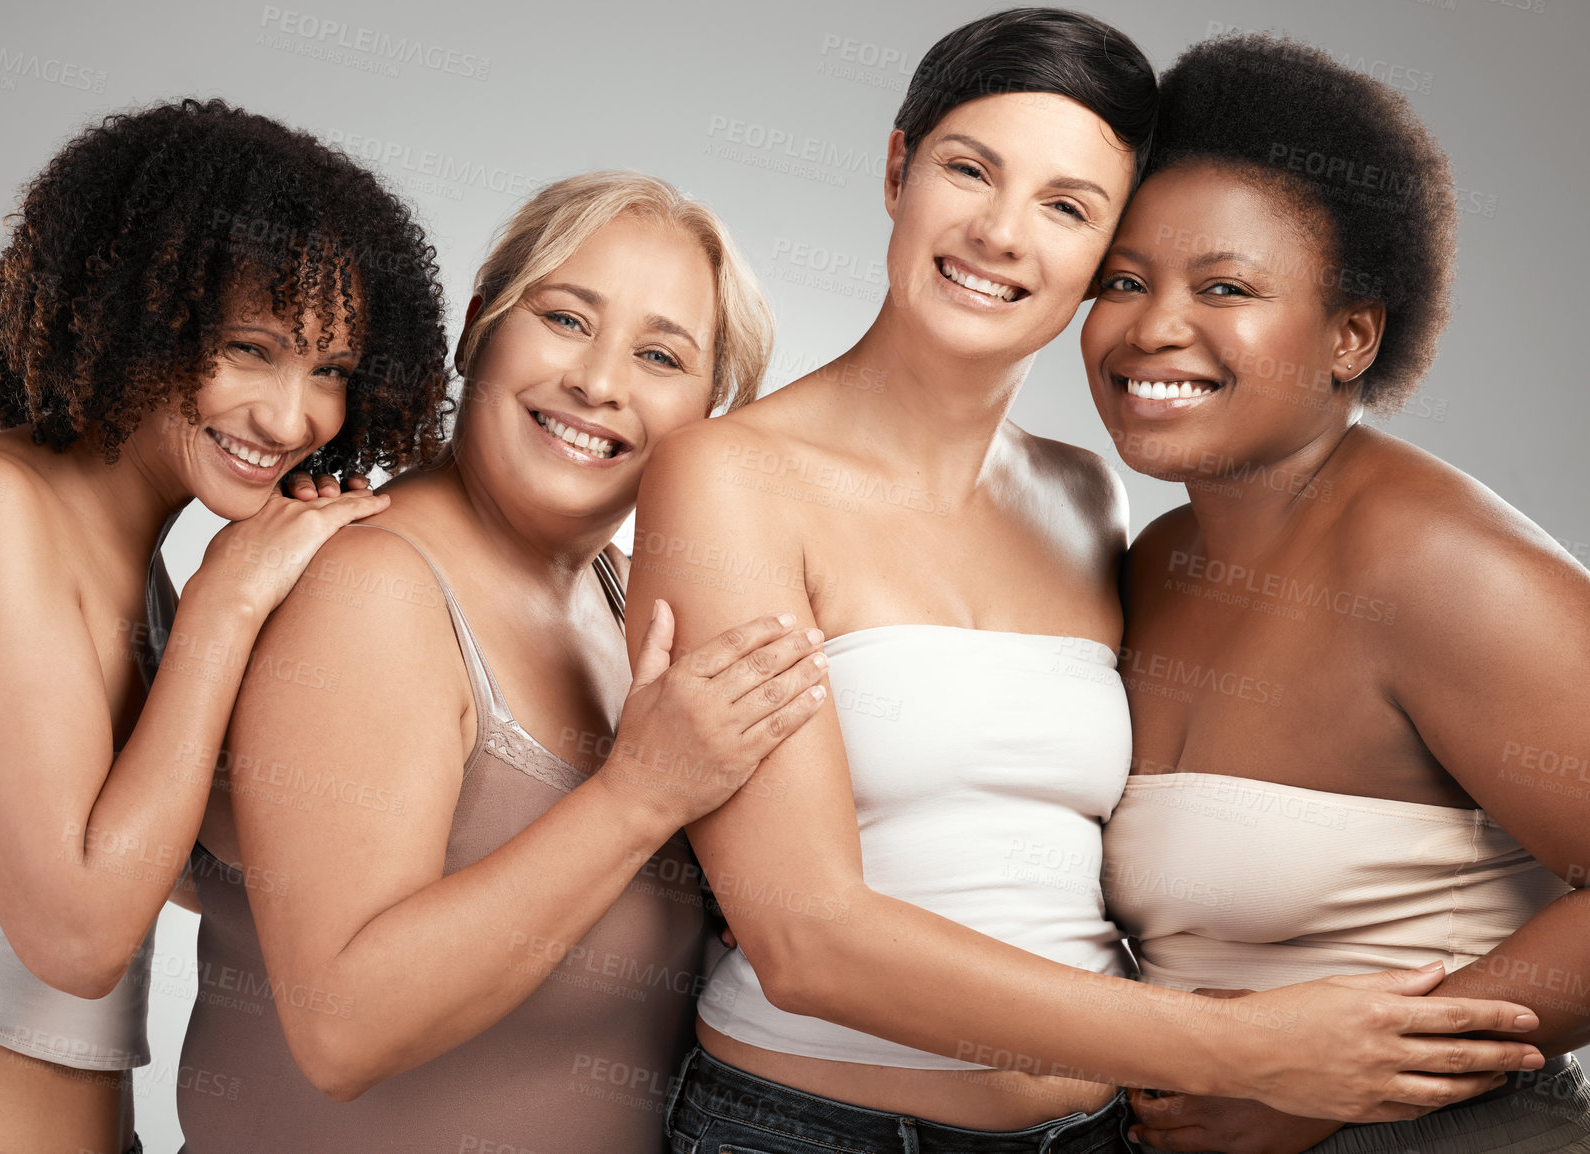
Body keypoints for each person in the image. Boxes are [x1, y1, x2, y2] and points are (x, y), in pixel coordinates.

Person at [628, 10, 1548, 1154]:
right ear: (898, 170)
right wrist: (1244, 1048)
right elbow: (806, 937)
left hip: (1097, 1133)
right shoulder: (728, 478)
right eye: (970, 170)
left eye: (1069, 208)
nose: (1003, 234)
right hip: (818, 1126)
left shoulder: (1087, 503)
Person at [174, 171, 830, 1152]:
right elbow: (344, 1025)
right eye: (566, 318)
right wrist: (641, 796)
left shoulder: (626, 599)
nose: (599, 382)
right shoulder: (375, 587)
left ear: (712, 410)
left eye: (659, 354)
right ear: (481, 323)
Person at [0, 98, 450, 1154]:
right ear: (130, 310)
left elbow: (183, 871)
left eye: (331, 370)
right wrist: (227, 605)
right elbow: (79, 933)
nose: (290, 416)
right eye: (249, 348)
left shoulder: (138, 561)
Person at [1085, 34, 1590, 1154]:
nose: (1153, 327)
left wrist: (1325, 1085)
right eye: (1124, 280)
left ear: (1352, 335)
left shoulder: (1439, 566)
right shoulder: (1154, 562)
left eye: (1225, 286)